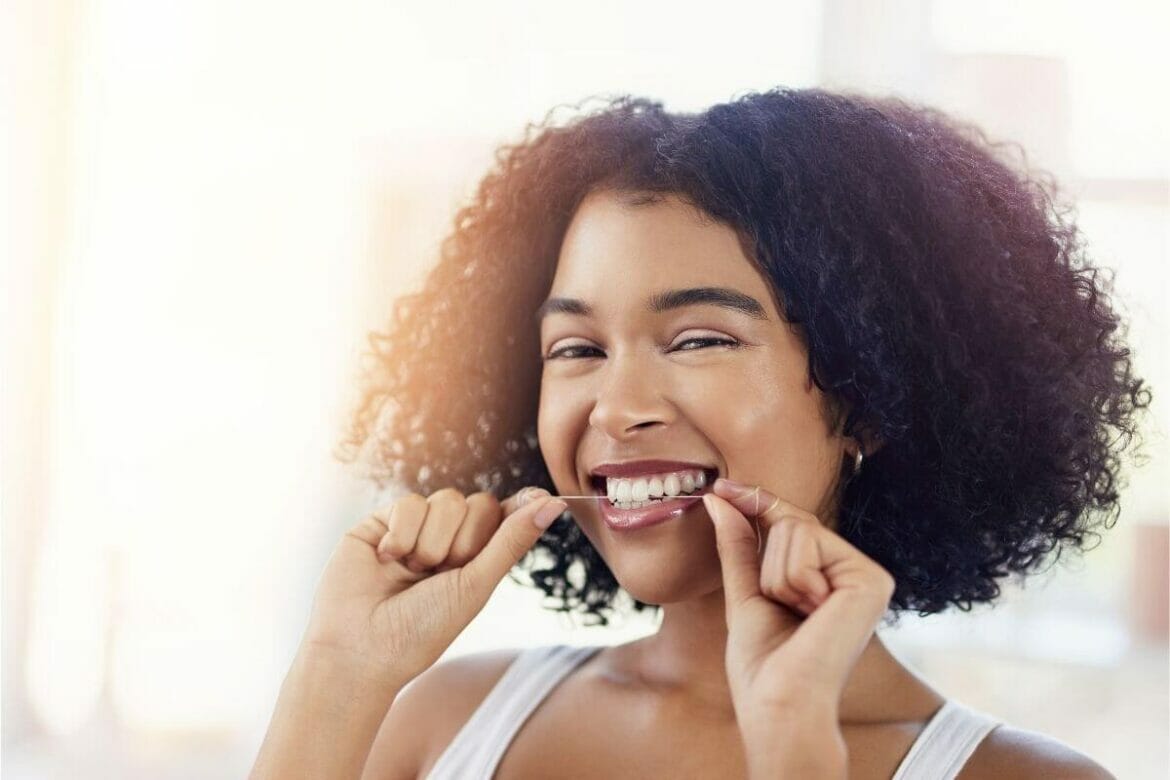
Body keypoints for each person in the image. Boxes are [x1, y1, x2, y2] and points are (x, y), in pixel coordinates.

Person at [250, 88, 1151, 779]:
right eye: (577, 347)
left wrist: (796, 748)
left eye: (699, 339)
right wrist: (338, 675)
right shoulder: (443, 721)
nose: (615, 405)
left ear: (868, 396)